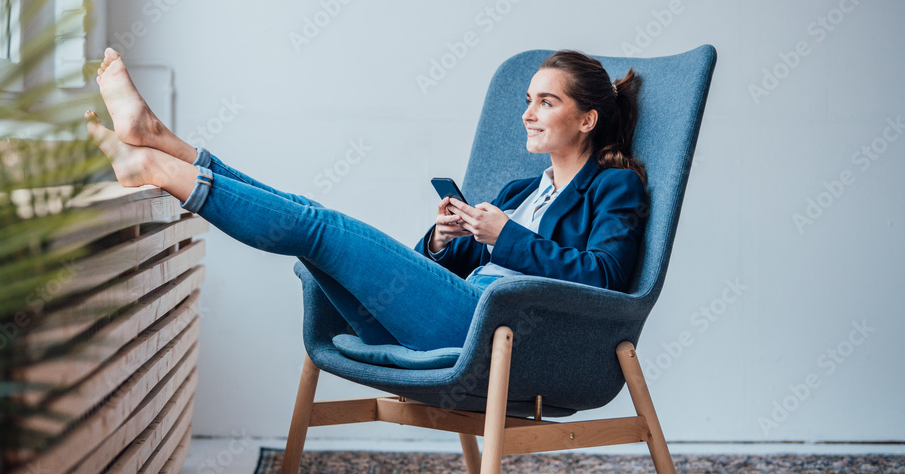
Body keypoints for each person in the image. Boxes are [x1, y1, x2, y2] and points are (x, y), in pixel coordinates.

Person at [83, 48, 648, 353]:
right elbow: (453, 269)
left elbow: (606, 278)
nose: (527, 113)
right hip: (456, 310)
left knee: (318, 228)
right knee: (308, 218)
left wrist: (505, 235)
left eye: (546, 102)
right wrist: (444, 240)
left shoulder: (614, 186)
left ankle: (159, 164)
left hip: (500, 336)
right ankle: (162, 141)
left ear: (588, 118)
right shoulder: (520, 192)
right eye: (528, 99)